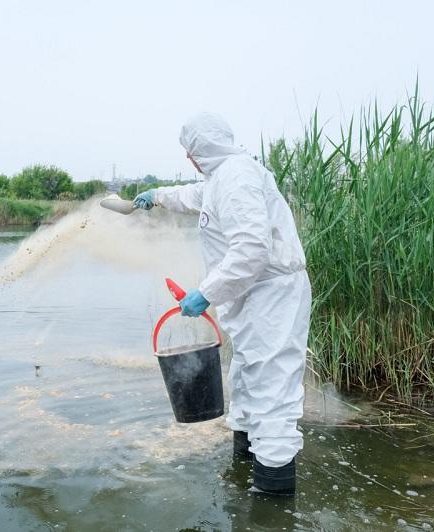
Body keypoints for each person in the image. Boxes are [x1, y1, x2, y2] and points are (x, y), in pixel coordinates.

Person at [133, 112, 311, 497]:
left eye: (189, 151)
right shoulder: (219, 179)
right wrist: (156, 197)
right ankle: (244, 469)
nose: (188, 159)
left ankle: (272, 504)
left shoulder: (238, 176)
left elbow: (251, 249)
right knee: (247, 379)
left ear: (201, 149)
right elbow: (188, 196)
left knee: (273, 391)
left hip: (272, 297)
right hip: (251, 299)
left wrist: (206, 292)